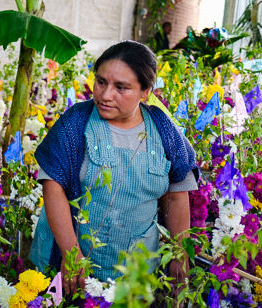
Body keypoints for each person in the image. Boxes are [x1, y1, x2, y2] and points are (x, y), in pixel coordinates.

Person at [30, 41, 200, 294]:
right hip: (72, 264)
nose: (106, 95)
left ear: (145, 91)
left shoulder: (164, 132)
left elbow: (176, 197)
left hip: (136, 272)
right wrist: (70, 253)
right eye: (101, 82)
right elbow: (53, 187)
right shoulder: (76, 124)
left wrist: (179, 252)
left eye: (121, 87)